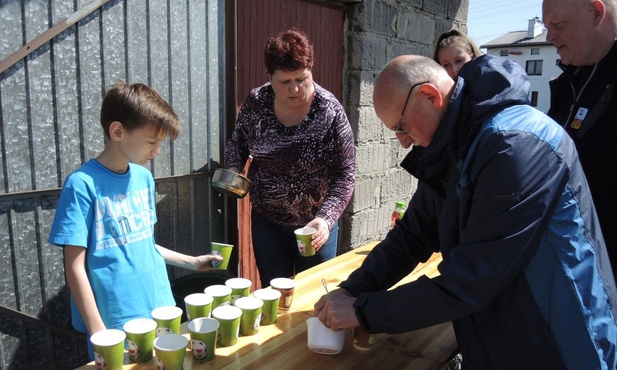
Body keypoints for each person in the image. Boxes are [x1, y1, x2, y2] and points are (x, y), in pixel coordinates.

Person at [314, 54, 617, 369]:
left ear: (430, 96)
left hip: (561, 341)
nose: (402, 142)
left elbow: (470, 281)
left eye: (401, 127)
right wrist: (353, 288)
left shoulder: (514, 146)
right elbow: (412, 235)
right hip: (503, 334)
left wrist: (363, 311)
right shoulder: (455, 144)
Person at [48, 82, 222, 359]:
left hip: (162, 309)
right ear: (118, 131)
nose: (156, 151)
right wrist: (99, 334)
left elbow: (144, 243)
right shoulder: (81, 185)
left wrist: (191, 262)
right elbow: (75, 267)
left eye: (160, 143)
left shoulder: (143, 178)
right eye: (152, 142)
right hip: (116, 322)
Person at [225, 28, 355, 287]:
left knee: (316, 295)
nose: (295, 89)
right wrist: (234, 168)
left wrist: (327, 218)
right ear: (270, 78)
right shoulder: (256, 103)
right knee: (276, 295)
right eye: (285, 82)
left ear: (311, 70)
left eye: (302, 79)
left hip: (314, 226)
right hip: (268, 223)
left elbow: (345, 174)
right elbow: (236, 144)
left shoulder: (329, 111)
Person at [543, 0, 617, 279]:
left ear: (597, 12)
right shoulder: (570, 82)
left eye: (559, 26)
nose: (550, 38)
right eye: (547, 28)